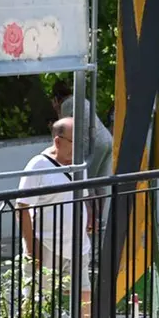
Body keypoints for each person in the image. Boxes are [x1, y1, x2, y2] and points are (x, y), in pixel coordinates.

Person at [16, 117, 108, 318]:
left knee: (84, 296)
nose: (80, 148)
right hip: (45, 244)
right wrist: (30, 246)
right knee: (35, 298)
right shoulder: (38, 165)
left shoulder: (80, 165)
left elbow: (85, 196)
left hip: (78, 246)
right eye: (74, 142)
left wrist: (90, 216)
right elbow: (22, 208)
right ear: (58, 140)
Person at [51, 81, 113, 227]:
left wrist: (57, 110)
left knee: (88, 184)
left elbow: (63, 127)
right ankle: (99, 219)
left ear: (56, 98)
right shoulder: (81, 99)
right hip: (106, 140)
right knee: (100, 182)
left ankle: (90, 221)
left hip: (92, 145)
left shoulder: (66, 104)